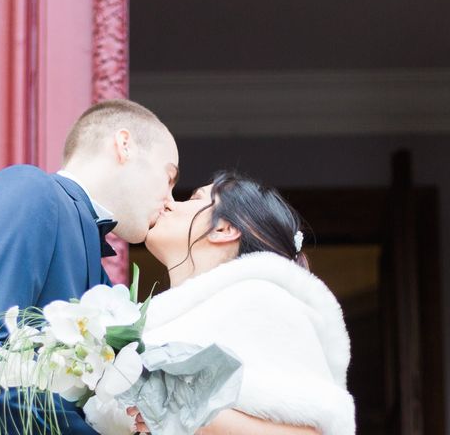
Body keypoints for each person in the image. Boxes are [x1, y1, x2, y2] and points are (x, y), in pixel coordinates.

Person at [0, 99, 179, 435]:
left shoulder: (99, 272)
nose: (170, 200)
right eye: (168, 178)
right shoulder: (29, 191)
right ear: (124, 145)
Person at [85, 170, 355, 435]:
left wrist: (198, 421)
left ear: (224, 229)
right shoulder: (162, 317)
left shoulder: (263, 302)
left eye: (194, 199)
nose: (168, 203)